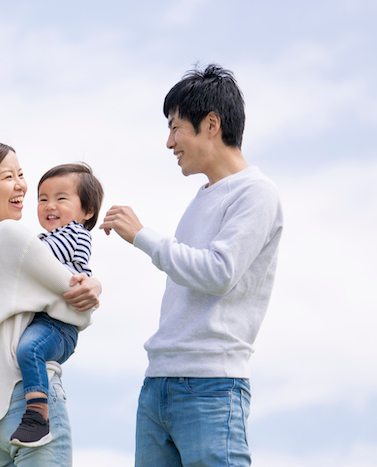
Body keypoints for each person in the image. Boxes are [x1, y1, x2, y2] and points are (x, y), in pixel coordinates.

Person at [100, 64, 283, 466]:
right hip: (158, 382)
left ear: (211, 124)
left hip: (211, 386)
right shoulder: (203, 196)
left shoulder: (257, 193)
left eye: (175, 127)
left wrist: (142, 235)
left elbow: (218, 273)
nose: (169, 143)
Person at [0, 141, 102, 467]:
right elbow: (78, 303)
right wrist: (94, 285)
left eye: (21, 174)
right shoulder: (10, 236)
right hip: (26, 401)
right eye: (8, 176)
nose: (21, 185)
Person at [9, 163, 104, 448]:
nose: (50, 205)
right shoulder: (40, 238)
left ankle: (38, 417)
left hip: (58, 326)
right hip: (40, 321)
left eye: (61, 198)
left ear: (87, 212)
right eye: (43, 198)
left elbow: (38, 258)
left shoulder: (75, 233)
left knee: (30, 349)